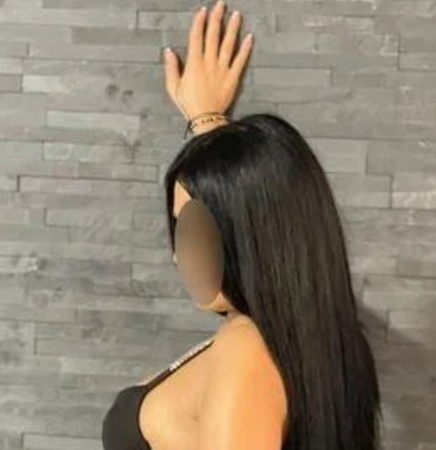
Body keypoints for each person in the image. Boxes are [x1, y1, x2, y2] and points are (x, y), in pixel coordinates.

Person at [102, 1, 383, 450]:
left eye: (195, 235)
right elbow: (252, 206)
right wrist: (207, 123)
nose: (178, 256)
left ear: (251, 237)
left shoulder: (247, 350)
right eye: (181, 231)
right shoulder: (319, 341)